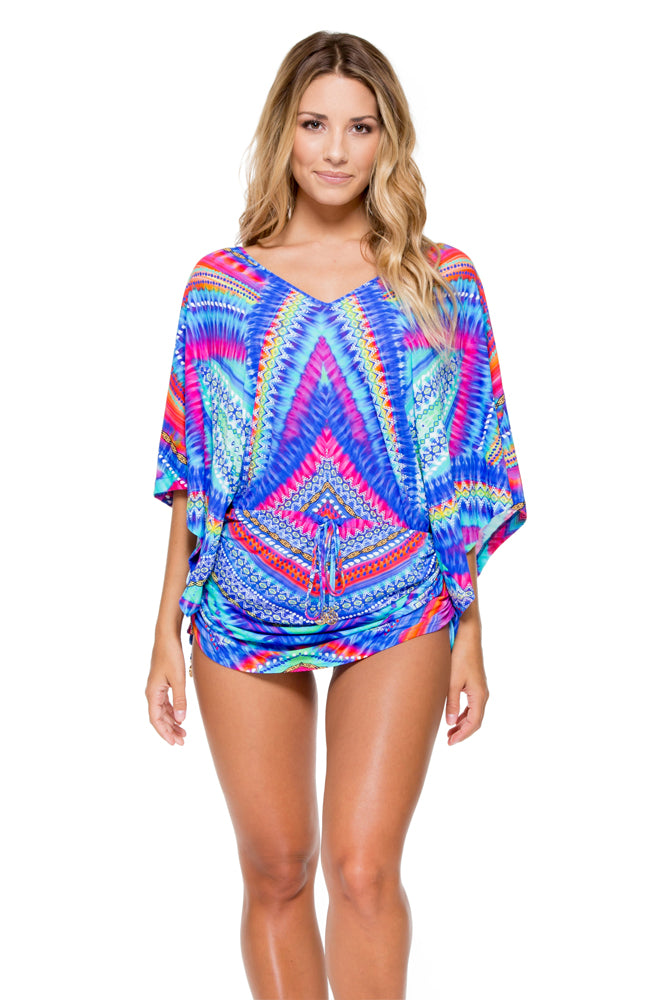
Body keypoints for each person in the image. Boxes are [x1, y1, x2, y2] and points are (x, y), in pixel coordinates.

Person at [146, 29, 527, 1000]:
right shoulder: (221, 286)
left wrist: (471, 629)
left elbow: (465, 471)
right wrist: (162, 633)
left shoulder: (442, 282)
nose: (335, 149)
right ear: (284, 131)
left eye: (361, 128)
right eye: (315, 124)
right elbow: (194, 472)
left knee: (363, 870)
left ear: (388, 141)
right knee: (277, 870)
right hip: (243, 596)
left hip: (402, 594)